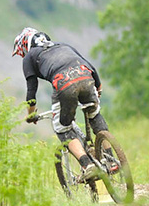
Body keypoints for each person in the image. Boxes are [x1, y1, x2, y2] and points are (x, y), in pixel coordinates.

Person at [12, 27, 109, 177]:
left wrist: (30, 115)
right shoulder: (63, 46)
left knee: (62, 127)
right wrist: (98, 88)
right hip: (86, 75)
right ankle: (110, 158)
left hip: (64, 83)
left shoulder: (29, 57)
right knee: (94, 115)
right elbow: (92, 67)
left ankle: (87, 165)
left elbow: (31, 92)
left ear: (25, 46)